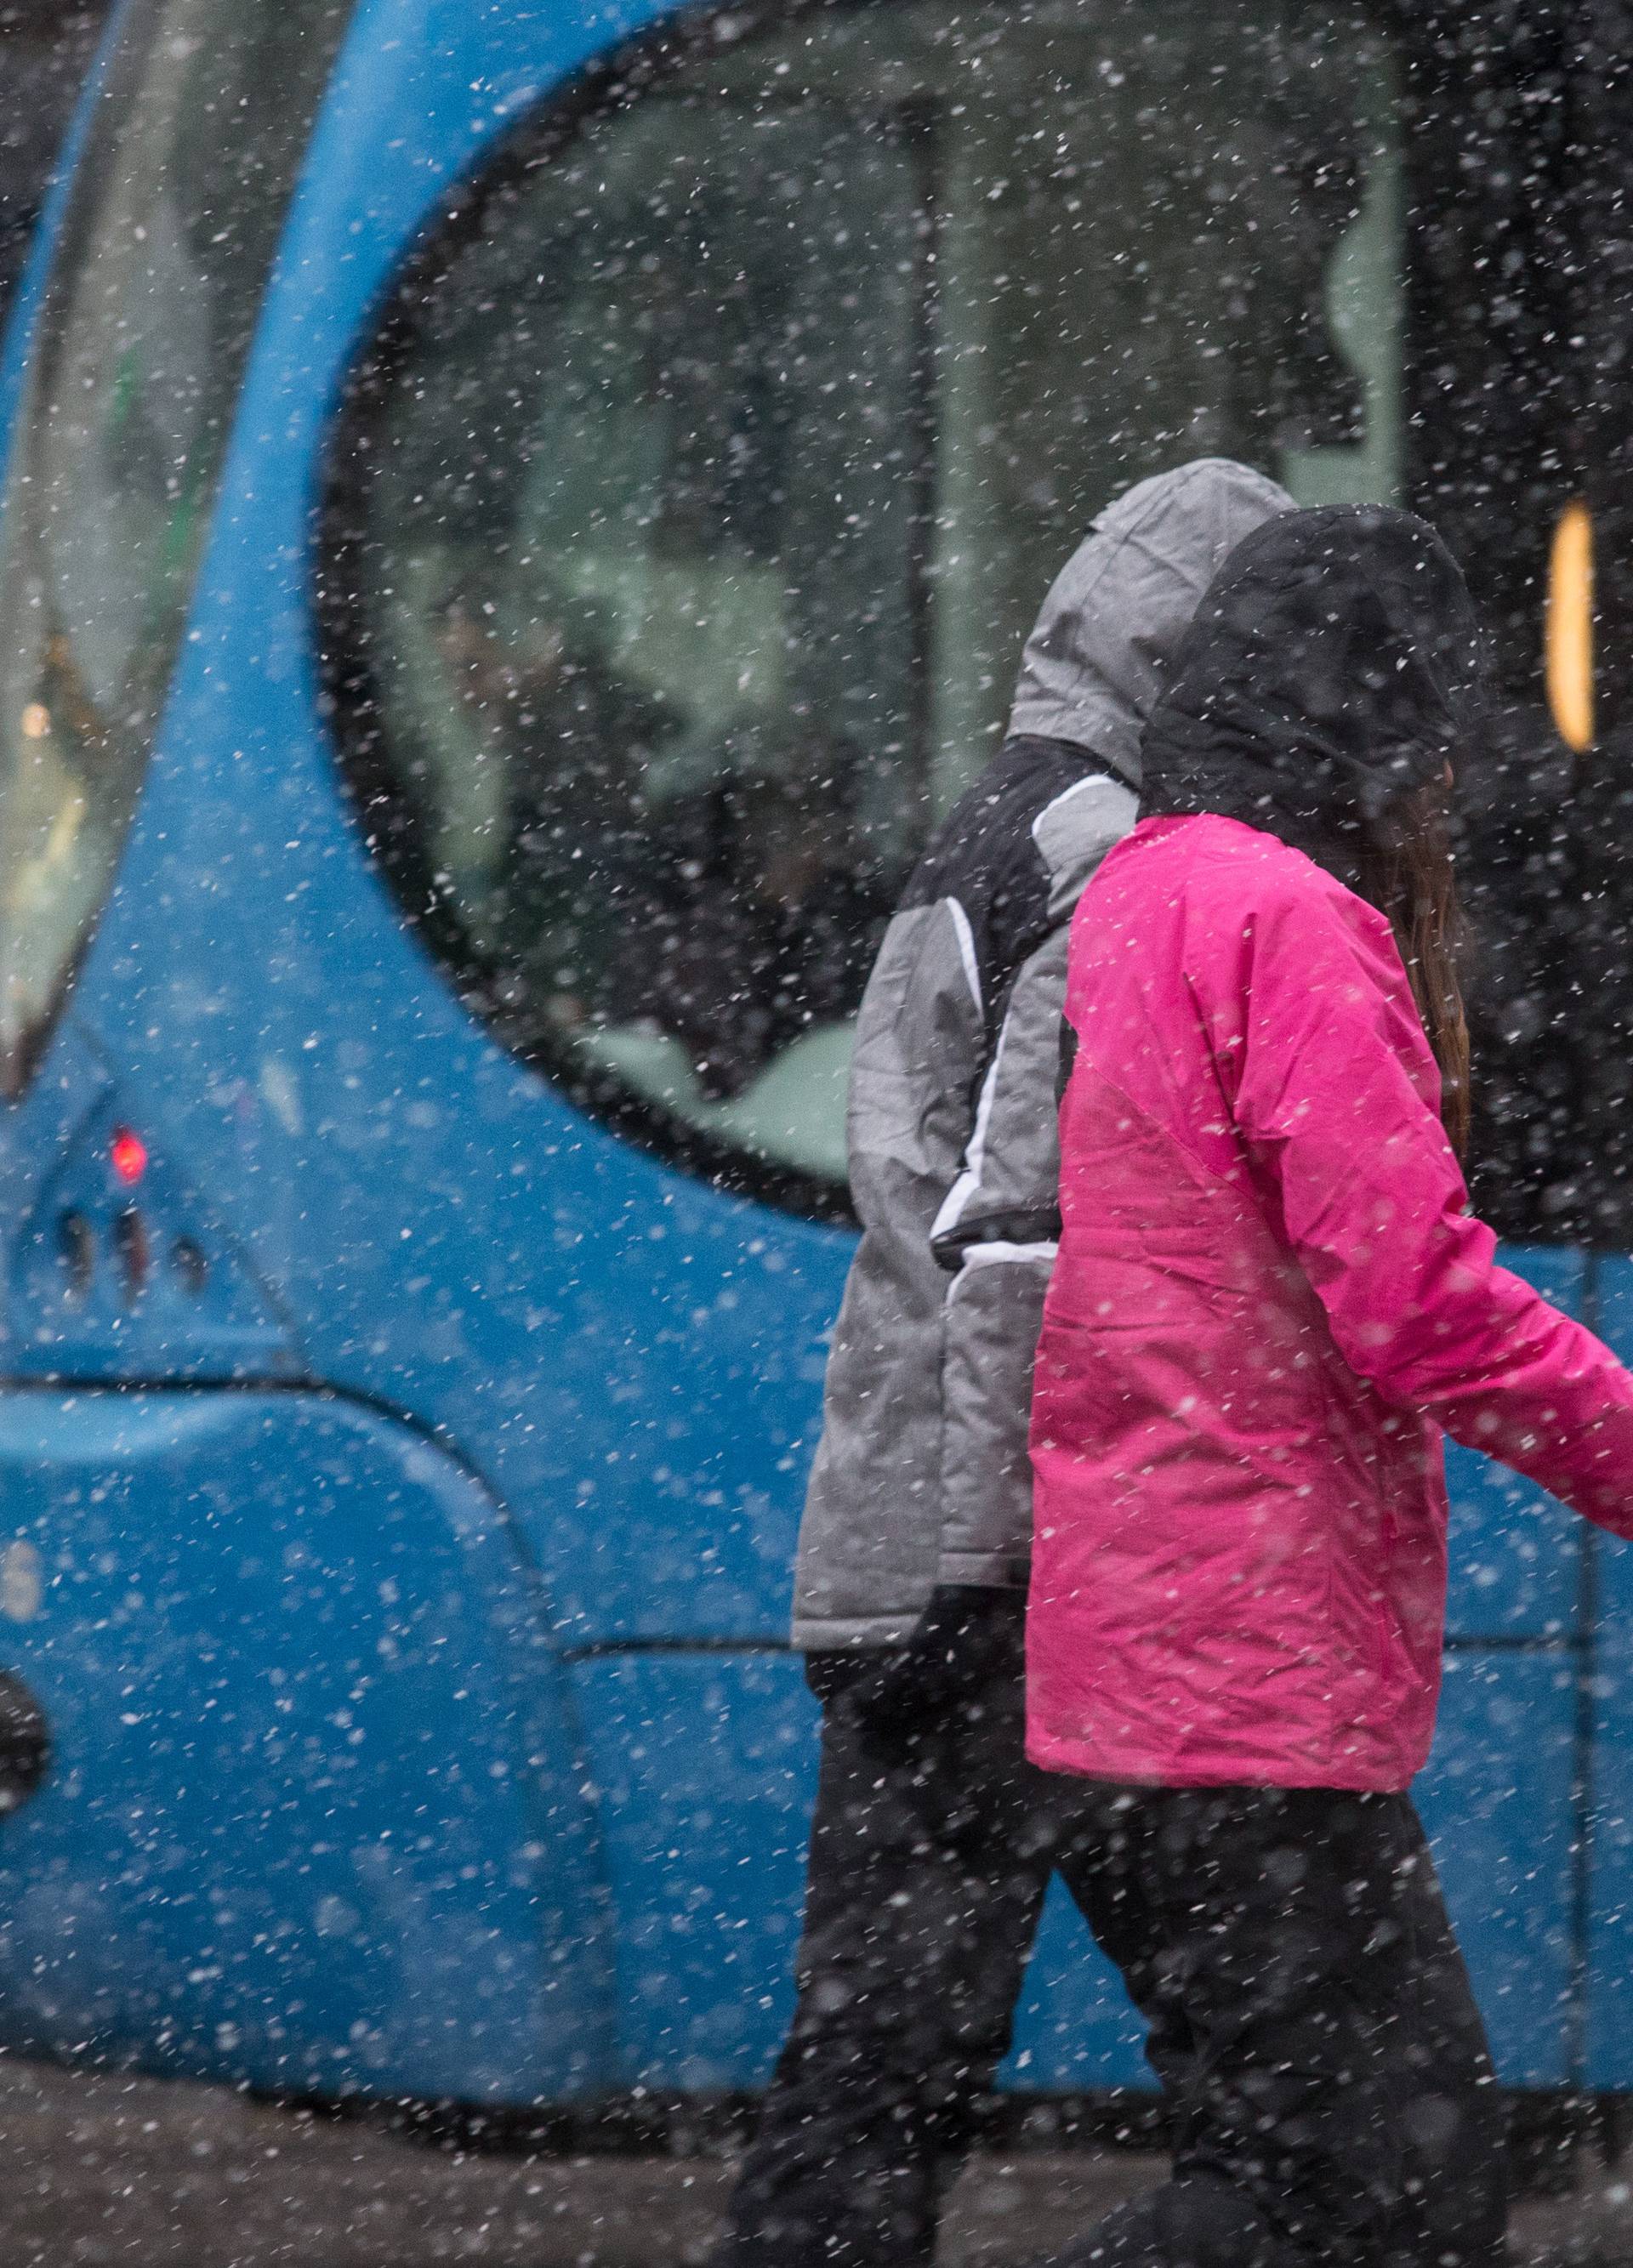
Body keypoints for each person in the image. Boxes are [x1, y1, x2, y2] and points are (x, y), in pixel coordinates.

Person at [1027, 503, 1633, 2267]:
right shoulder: (1293, 919)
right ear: (1383, 725)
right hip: (1245, 1663)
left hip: (1147, 1640)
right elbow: (1416, 1297)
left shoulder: (1151, 881)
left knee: (1314, 2167)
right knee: (1387, 2187)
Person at [712, 458, 1294, 2268]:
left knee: (871, 2067)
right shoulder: (1105, 850)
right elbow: (1018, 1229)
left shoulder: (1003, 814)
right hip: (1009, 1566)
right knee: (1283, 2086)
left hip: (904, 1539)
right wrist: (991, 1565)